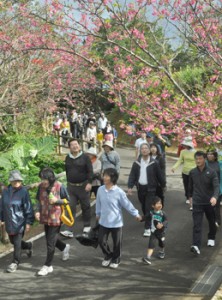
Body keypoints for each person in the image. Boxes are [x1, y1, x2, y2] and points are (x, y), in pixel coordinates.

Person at [96, 168, 142, 268]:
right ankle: (108, 256)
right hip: (103, 221)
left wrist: (136, 214)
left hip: (116, 223)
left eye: (107, 176)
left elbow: (127, 204)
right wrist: (97, 213)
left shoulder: (119, 192)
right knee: (101, 241)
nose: (104, 177)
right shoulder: (100, 189)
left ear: (112, 178)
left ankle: (116, 259)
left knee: (117, 243)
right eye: (104, 175)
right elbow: (98, 203)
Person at [35, 167, 71, 276]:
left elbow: (68, 201)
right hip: (45, 217)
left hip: (56, 217)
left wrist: (57, 201)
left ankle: (47, 265)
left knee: (50, 242)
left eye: (44, 179)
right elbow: (37, 200)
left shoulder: (59, 186)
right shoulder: (41, 187)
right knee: (50, 239)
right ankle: (64, 247)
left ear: (50, 178)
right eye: (41, 179)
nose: (42, 181)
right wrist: (36, 211)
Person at [127, 143, 166, 237]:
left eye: (146, 148)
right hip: (140, 188)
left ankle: (147, 228)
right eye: (142, 148)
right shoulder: (136, 163)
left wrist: (163, 185)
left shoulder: (154, 163)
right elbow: (132, 175)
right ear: (140, 151)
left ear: (149, 150)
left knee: (148, 207)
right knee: (144, 207)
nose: (144, 150)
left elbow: (160, 175)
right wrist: (130, 187)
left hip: (151, 188)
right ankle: (150, 218)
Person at [0, 170, 34, 273]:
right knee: (13, 241)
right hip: (9, 222)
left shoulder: (23, 192)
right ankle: (28, 245)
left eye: (18, 180)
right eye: (14, 181)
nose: (17, 182)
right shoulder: (5, 191)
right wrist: (1, 218)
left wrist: (28, 222)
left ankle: (15, 262)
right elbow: (1, 206)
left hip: (20, 222)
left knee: (17, 243)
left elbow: (28, 207)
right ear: (10, 181)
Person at [60, 138, 93, 238]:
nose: (75, 146)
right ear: (69, 147)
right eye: (72, 145)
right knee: (70, 207)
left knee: (85, 206)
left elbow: (90, 171)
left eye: (76, 144)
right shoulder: (67, 158)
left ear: (79, 145)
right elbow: (67, 171)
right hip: (71, 187)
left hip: (83, 186)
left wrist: (89, 183)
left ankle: (87, 226)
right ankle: (69, 229)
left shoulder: (85, 157)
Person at [189, 151, 219, 255]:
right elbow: (190, 187)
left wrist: (215, 197)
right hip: (197, 202)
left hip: (209, 202)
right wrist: (190, 198)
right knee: (197, 225)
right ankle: (196, 245)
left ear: (204, 159)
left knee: (212, 221)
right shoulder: (192, 172)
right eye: (196, 159)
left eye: (200, 159)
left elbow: (216, 186)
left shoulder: (211, 172)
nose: (198, 161)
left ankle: (211, 237)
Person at [142, 197, 168, 265]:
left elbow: (166, 221)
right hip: (153, 232)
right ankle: (148, 257)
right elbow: (145, 217)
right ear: (153, 206)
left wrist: (162, 224)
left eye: (160, 203)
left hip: (161, 232)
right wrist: (140, 219)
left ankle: (162, 251)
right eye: (157, 203)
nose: (159, 205)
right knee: (151, 244)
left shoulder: (163, 213)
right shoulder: (151, 213)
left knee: (161, 243)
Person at [171, 139, 196, 210]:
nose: (184, 146)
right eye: (183, 145)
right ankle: (188, 197)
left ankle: (193, 198)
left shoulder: (195, 152)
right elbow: (180, 160)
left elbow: (198, 161)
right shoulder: (183, 152)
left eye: (185, 145)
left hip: (194, 172)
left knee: (192, 186)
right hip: (185, 171)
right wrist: (174, 167)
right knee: (186, 185)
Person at [206, 148, 221, 227]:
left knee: (217, 205)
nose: (209, 155)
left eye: (211, 154)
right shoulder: (204, 163)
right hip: (207, 188)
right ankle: (211, 219)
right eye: (208, 154)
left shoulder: (220, 163)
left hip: (217, 187)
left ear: (215, 156)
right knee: (209, 205)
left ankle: (217, 220)